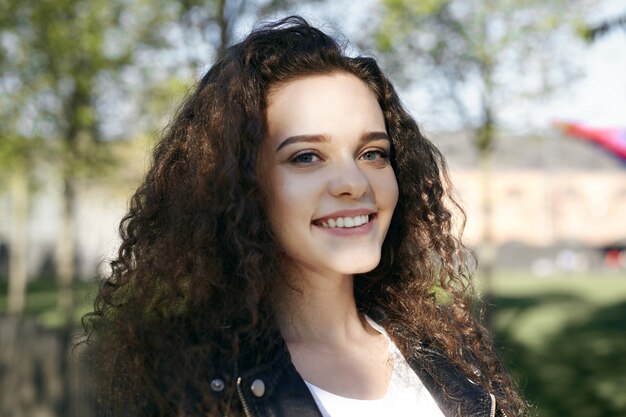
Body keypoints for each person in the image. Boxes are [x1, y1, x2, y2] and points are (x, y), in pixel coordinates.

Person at [83, 16, 525, 417]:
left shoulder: (454, 365)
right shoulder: (195, 393)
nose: (354, 182)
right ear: (240, 185)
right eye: (307, 156)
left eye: (373, 153)